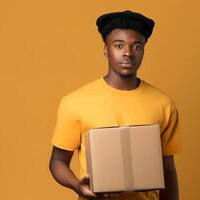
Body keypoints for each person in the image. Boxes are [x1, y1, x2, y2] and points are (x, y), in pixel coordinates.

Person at [49, 10, 182, 200]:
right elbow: (57, 161)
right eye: (119, 45)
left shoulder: (163, 104)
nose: (128, 53)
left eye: (137, 46)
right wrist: (77, 186)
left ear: (144, 50)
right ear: (106, 49)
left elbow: (167, 169)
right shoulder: (75, 102)